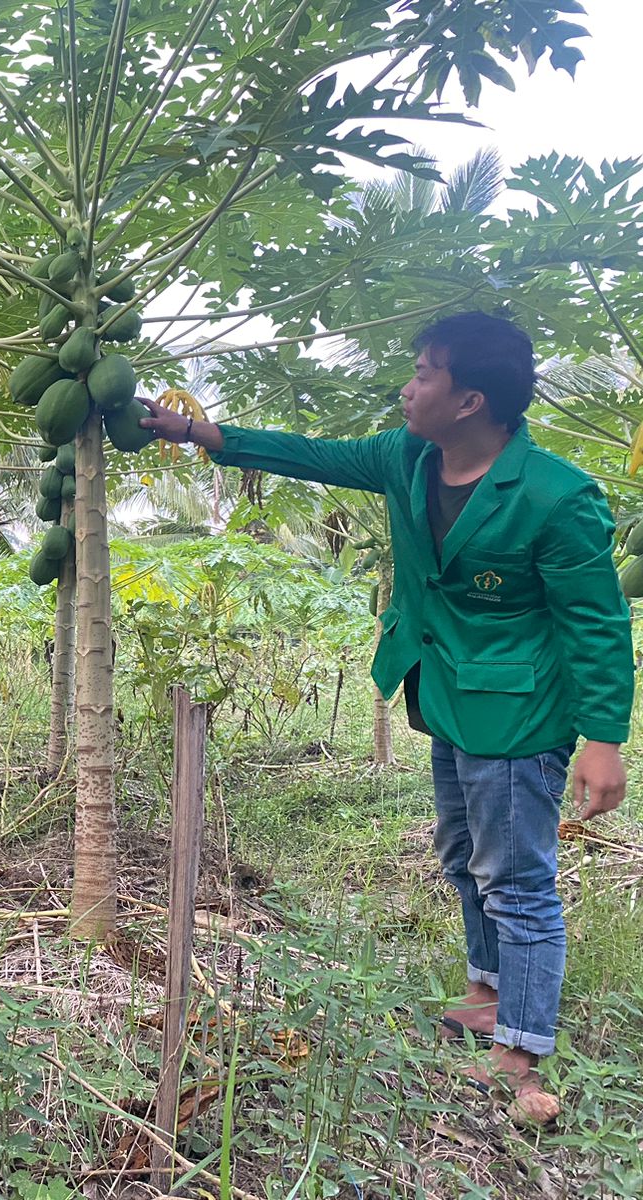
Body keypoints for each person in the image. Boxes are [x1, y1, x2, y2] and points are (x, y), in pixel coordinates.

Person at [138, 312, 633, 1126]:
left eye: (425, 373)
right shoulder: (410, 457)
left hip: (519, 715)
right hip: (443, 692)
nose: (408, 387)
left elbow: (596, 621)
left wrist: (606, 738)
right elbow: (312, 454)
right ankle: (485, 992)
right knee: (463, 854)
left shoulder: (555, 496)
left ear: (471, 399)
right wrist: (193, 430)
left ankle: (522, 1048)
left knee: (517, 881)